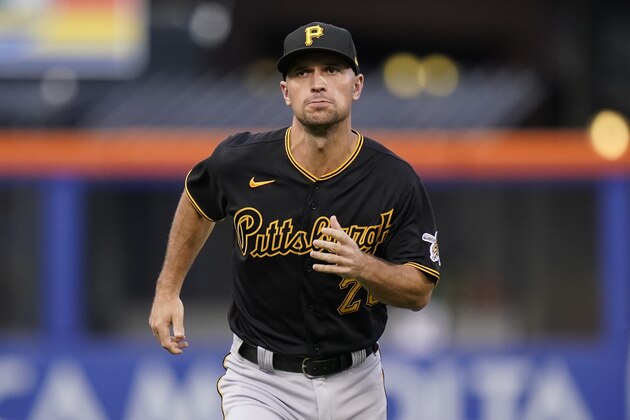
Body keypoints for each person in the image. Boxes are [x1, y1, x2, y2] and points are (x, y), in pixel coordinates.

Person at [149, 21, 441, 420]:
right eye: (302, 73)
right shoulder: (241, 160)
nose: (317, 83)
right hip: (260, 382)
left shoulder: (394, 179)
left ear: (356, 85)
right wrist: (168, 288)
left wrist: (363, 267)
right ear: (286, 92)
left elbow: (419, 290)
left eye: (332, 70)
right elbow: (197, 200)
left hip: (357, 383)